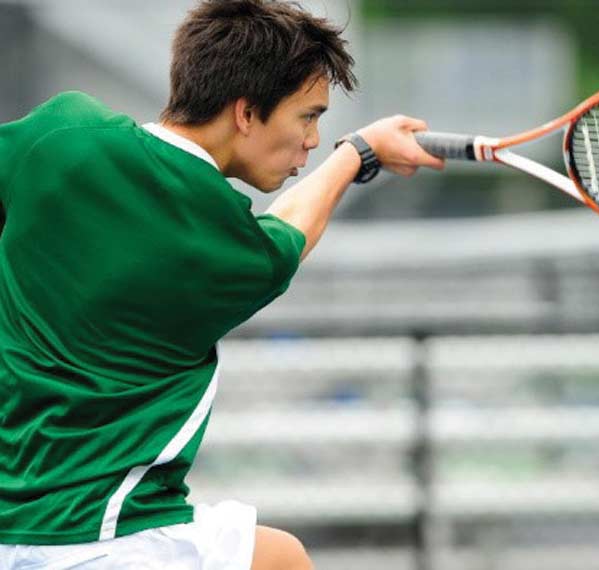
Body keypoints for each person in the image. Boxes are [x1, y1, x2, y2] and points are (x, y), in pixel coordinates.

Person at [0, 1, 444, 569]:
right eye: (307, 117)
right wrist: (357, 153)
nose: (312, 140)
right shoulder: (226, 243)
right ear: (245, 113)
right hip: (105, 537)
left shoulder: (59, 131)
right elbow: (290, 231)